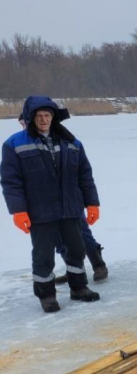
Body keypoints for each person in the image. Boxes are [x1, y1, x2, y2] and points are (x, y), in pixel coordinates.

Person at [1, 96, 101, 312]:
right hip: (40, 210)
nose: (43, 120)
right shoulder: (14, 144)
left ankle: (79, 287)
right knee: (43, 255)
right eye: (39, 116)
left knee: (76, 249)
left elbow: (85, 175)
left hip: (70, 208)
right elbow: (11, 182)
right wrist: (18, 210)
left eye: (47, 115)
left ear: (54, 117)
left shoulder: (72, 142)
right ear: (31, 118)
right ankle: (46, 295)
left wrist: (92, 203)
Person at [15, 113, 109, 284]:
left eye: (25, 122)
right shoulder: (26, 142)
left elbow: (82, 173)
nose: (24, 126)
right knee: (59, 239)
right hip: (47, 204)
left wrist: (91, 202)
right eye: (22, 124)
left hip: (71, 200)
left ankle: (98, 264)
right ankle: (71, 268)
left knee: (81, 233)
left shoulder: (63, 139)